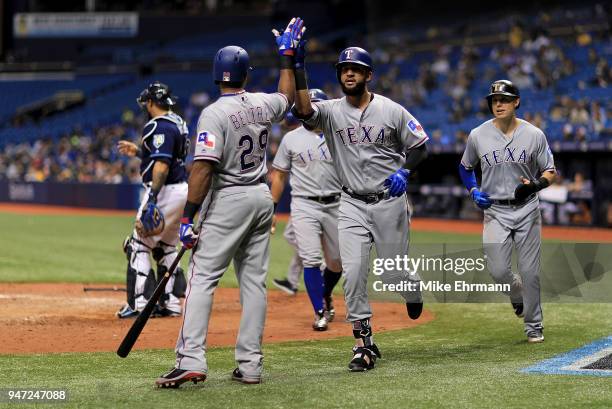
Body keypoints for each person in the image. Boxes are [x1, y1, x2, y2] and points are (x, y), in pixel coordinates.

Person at [155, 17, 304, 388]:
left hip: (229, 198)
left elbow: (203, 169)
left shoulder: (214, 112)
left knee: (203, 278)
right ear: (244, 75)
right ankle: (251, 365)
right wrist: (287, 56)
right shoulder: (261, 103)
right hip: (260, 195)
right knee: (253, 284)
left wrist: (188, 218)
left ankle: (191, 360)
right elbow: (287, 96)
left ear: (216, 74)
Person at [292, 44, 429, 371]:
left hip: (389, 203)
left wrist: (404, 170)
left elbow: (420, 145)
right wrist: (296, 66)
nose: (349, 72)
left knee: (394, 273)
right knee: (352, 273)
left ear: (368, 75)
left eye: (355, 68)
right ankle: (363, 343)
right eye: (343, 68)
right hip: (351, 202)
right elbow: (303, 112)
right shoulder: (330, 110)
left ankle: (411, 289)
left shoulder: (392, 110)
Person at [459, 79, 556, 343]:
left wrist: (535, 185)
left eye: (504, 99)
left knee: (530, 271)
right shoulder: (478, 135)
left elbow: (550, 171)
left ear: (516, 102)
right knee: (498, 271)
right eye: (494, 100)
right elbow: (465, 167)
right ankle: (516, 294)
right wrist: (473, 191)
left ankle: (534, 326)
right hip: (494, 211)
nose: (498, 104)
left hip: (526, 209)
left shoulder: (534, 134)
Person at [270, 88, 343, 331]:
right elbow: (279, 175)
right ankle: (319, 312)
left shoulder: (340, 135)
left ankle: (326, 294)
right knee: (311, 259)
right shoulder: (291, 138)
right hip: (303, 205)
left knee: (337, 262)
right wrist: (272, 209)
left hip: (337, 203)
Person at [116, 81, 189, 319]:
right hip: (181, 190)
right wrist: (138, 152)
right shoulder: (178, 122)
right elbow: (166, 154)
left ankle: (141, 302)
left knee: (138, 244)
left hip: (165, 190)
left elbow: (162, 164)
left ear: (149, 102)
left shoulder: (159, 126)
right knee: (167, 246)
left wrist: (152, 199)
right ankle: (170, 303)